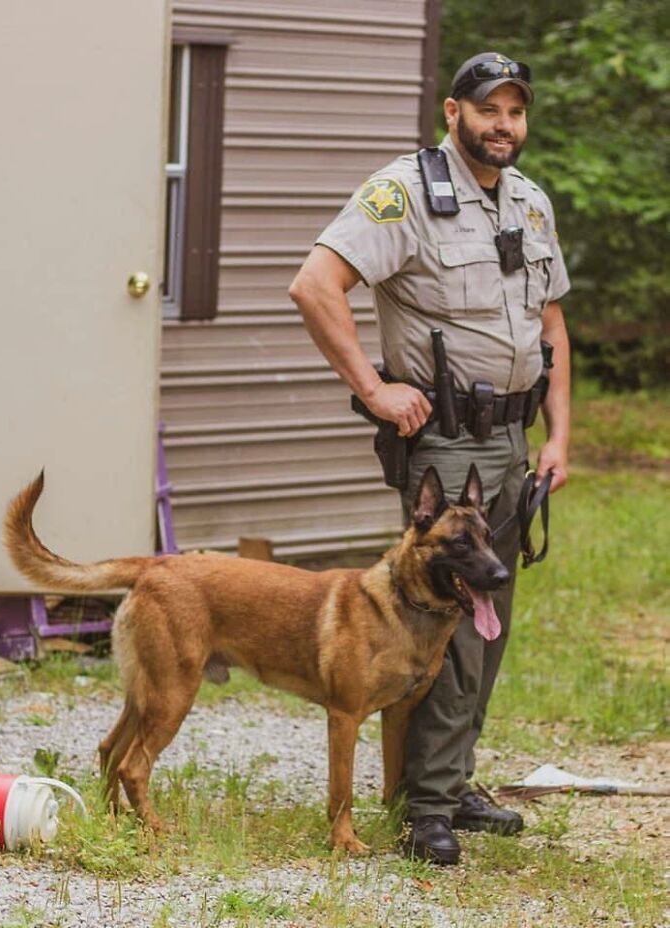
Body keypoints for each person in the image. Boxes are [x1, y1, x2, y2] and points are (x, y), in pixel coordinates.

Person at [289, 51, 571, 865]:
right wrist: (376, 391)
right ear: (453, 113)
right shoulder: (402, 193)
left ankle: (448, 779)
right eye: (489, 110)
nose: (503, 125)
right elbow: (315, 285)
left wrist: (557, 437)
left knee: (489, 617)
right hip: (445, 443)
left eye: (515, 111)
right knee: (443, 619)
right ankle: (426, 806)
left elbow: (551, 329)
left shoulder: (530, 202)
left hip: (513, 443)